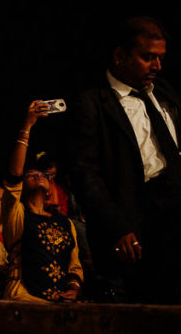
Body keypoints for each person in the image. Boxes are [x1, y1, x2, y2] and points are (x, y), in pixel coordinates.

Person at [70, 16, 181, 303]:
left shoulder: (165, 93)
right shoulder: (93, 102)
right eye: (148, 58)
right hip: (137, 223)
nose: (157, 66)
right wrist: (117, 227)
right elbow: (86, 175)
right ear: (120, 56)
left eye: (160, 57)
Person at [4, 102, 83, 302]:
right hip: (23, 297)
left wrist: (73, 288)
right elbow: (14, 176)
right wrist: (27, 126)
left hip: (60, 301)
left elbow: (74, 266)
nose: (39, 176)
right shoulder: (17, 214)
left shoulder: (66, 223)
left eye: (43, 174)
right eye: (31, 174)